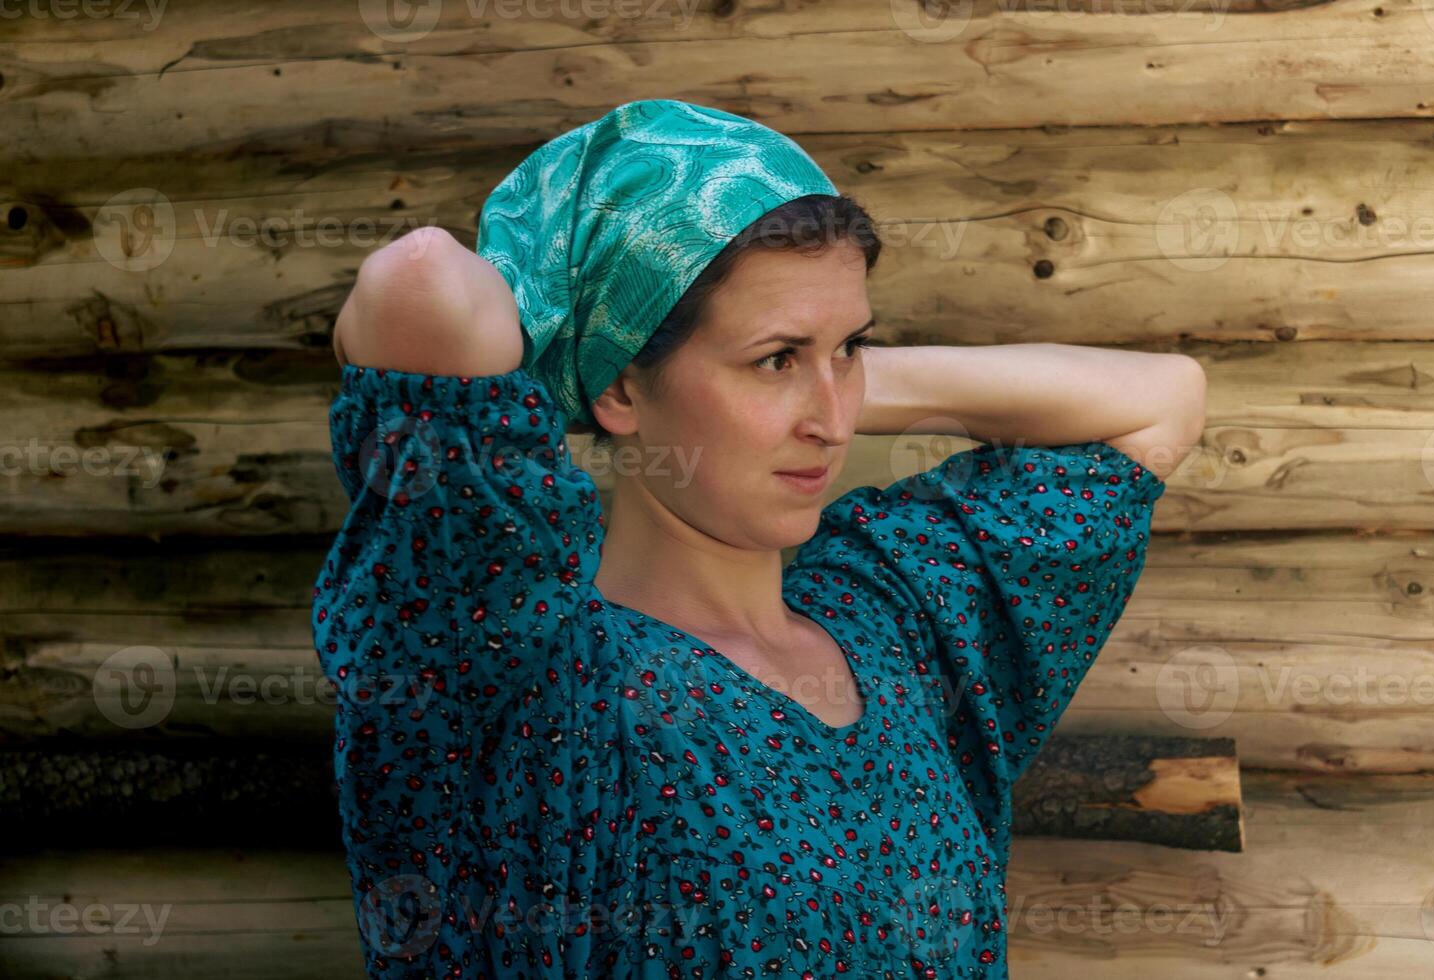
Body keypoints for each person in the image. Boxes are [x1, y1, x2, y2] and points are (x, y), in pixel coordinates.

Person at [314, 99, 1205, 978]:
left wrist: (815, 372)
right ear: (619, 392)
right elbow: (420, 278)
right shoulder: (527, 674)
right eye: (773, 360)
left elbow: (1161, 402)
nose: (831, 420)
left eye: (853, 346)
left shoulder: (892, 618)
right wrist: (575, 353)